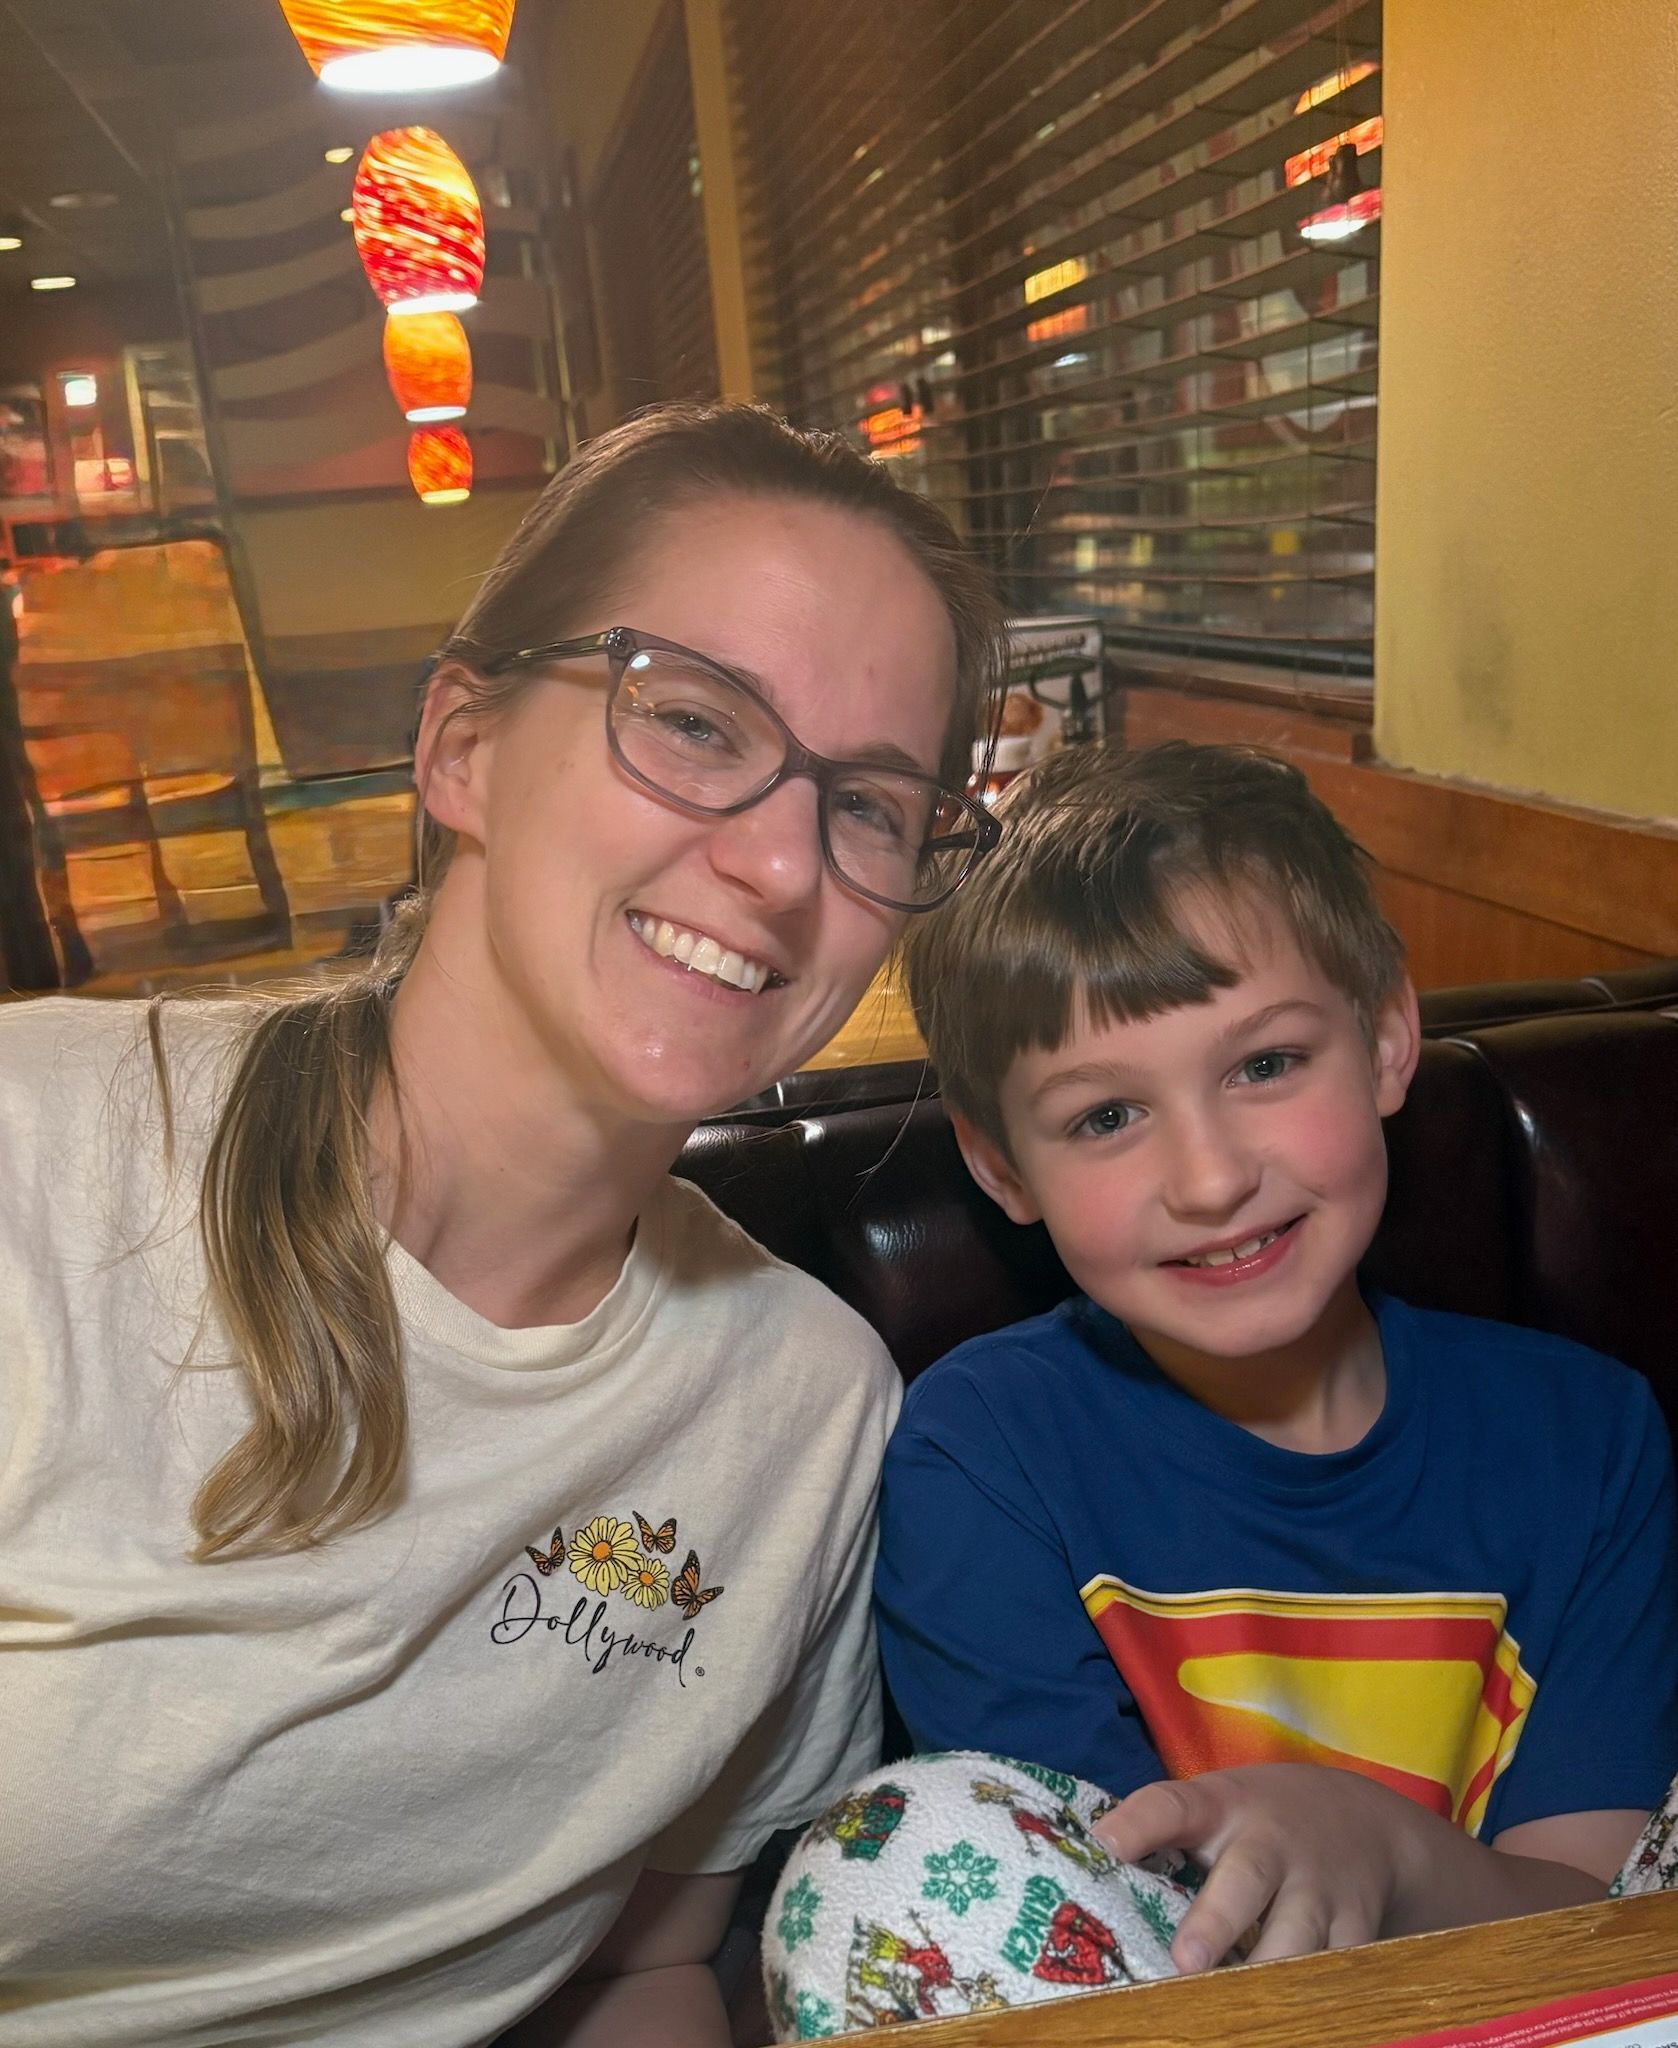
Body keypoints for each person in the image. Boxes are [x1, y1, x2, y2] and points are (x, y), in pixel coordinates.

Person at [0, 401, 1007, 2047]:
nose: (773, 860)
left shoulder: (807, 1412)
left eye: (870, 807)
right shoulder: (35, 1151)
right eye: (692, 722)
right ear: (460, 743)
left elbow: (643, 1966)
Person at [874, 739, 1678, 1980]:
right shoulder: (982, 1450)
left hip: (1513, 2004)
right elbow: (1073, 1922)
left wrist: (1385, 1852)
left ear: (1388, 1039)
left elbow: (1591, 1920)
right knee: (884, 1863)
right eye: (1105, 1115)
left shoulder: (1590, 1436)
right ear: (998, 1168)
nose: (1210, 1178)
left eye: (1265, 1063)